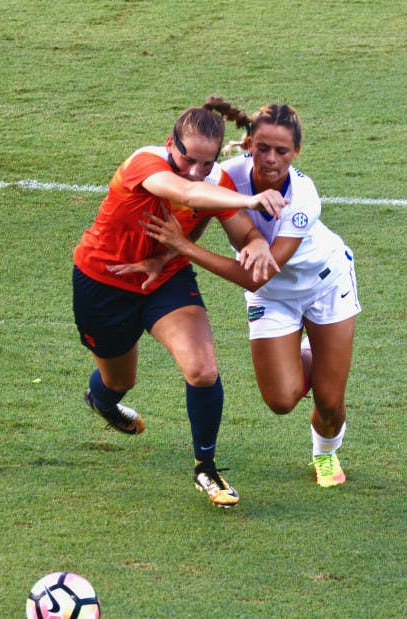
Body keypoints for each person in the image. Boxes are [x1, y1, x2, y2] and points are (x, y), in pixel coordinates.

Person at [72, 101, 289, 508]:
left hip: (166, 279)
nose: (196, 171)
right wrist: (251, 201)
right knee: (119, 381)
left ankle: (206, 467)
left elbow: (240, 231)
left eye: (207, 163)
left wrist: (257, 242)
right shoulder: (145, 163)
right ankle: (101, 400)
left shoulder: (215, 180)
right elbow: (188, 192)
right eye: (189, 159)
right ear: (170, 143)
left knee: (202, 370)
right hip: (105, 281)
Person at [141, 98, 361, 488]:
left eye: (282, 151)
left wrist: (184, 248)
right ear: (247, 145)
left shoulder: (303, 197)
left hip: (326, 285)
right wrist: (167, 254)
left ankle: (325, 454)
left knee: (330, 402)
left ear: (297, 152)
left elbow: (257, 276)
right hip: (273, 298)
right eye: (263, 148)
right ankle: (316, 354)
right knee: (281, 400)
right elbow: (201, 214)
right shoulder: (226, 176)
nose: (271, 159)